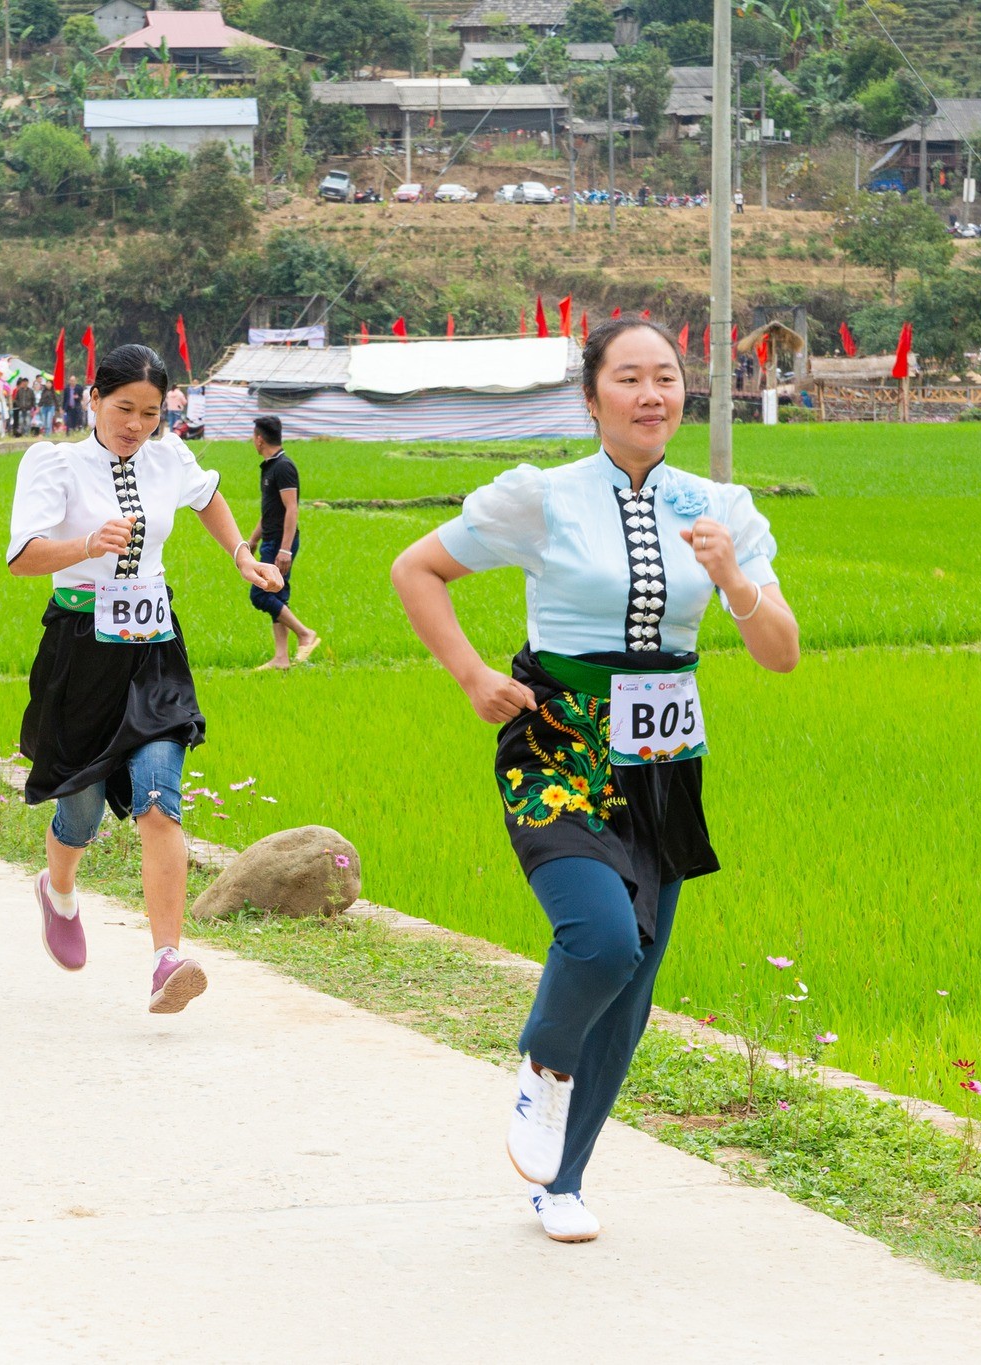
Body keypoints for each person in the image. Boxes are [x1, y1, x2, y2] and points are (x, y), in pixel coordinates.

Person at [389, 318, 799, 1243]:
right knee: (602, 938)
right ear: (592, 396)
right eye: (630, 378)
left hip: (660, 761)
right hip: (558, 740)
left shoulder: (721, 506)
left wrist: (735, 579)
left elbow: (781, 652)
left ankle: (563, 1178)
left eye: (667, 377)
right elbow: (417, 567)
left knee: (637, 978)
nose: (652, 394)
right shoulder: (545, 496)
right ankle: (543, 1059)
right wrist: (470, 675)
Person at [7, 344, 286, 1014]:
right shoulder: (55, 464)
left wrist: (243, 556)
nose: (136, 423)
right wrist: (84, 545)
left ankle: (167, 959)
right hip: (80, 648)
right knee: (80, 805)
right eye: (124, 407)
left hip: (154, 648)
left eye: (151, 412)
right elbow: (22, 556)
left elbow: (208, 497)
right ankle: (59, 889)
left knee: (160, 800)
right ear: (93, 400)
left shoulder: (170, 457)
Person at [244, 416, 320, 670]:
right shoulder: (269, 466)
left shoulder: (284, 467)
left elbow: (291, 509)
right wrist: (253, 540)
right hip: (271, 540)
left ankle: (305, 633)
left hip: (280, 543)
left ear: (259, 439)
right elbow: (269, 511)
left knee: (260, 593)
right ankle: (281, 658)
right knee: (277, 594)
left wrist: (285, 549)